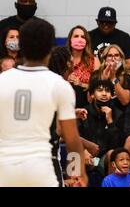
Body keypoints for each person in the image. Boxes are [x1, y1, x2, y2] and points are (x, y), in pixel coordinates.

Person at [0, 18, 87, 186]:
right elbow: (72, 140)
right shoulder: (59, 85)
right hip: (41, 168)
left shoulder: (2, 80)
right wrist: (77, 174)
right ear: (50, 48)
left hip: (6, 168)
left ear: (21, 46)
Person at [78, 78, 124, 185]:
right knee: (74, 155)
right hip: (85, 155)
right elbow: (74, 136)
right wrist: (83, 151)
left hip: (104, 158)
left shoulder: (118, 114)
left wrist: (110, 121)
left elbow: (117, 146)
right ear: (92, 95)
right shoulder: (84, 112)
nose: (104, 94)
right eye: (100, 90)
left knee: (112, 154)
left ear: (111, 95)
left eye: (107, 91)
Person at [89, 7, 130, 72]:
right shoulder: (89, 36)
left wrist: (113, 70)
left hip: (118, 72)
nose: (106, 25)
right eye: (102, 22)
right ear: (97, 22)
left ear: (115, 23)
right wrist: (100, 71)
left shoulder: (124, 37)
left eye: (110, 23)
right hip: (94, 72)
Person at [91, 44, 130, 109]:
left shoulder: (129, 77)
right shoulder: (96, 75)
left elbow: (125, 101)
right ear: (104, 59)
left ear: (121, 58)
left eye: (116, 55)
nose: (113, 59)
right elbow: (90, 100)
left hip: (122, 113)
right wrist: (103, 80)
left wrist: (113, 78)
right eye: (110, 56)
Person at [66, 25, 100, 108]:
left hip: (85, 101)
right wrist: (66, 79)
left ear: (86, 41)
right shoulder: (63, 59)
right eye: (76, 36)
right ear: (70, 40)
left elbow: (98, 87)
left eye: (83, 37)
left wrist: (81, 84)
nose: (79, 39)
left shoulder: (94, 60)